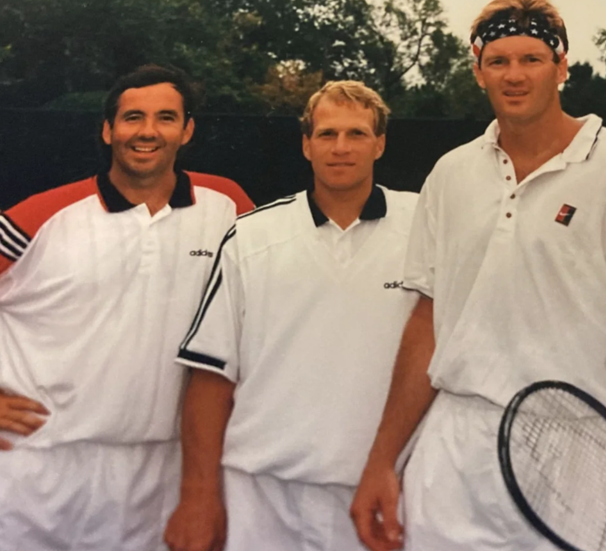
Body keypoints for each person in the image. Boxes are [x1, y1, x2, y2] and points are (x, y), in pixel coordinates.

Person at [350, 0, 606, 551]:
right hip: (458, 453)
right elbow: (428, 322)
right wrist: (381, 461)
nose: (515, 75)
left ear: (562, 66)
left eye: (532, 59)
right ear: (478, 70)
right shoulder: (451, 173)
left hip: (593, 451)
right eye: (498, 61)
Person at [0, 65, 253, 550]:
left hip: (162, 473)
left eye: (165, 118)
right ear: (108, 129)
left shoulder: (228, 207)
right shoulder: (41, 215)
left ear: (187, 130)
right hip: (35, 467)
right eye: (133, 117)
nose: (148, 132)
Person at [164, 80, 418, 551]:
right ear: (306, 144)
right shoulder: (250, 236)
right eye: (326, 134)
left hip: (390, 492)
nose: (341, 148)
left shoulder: (427, 227)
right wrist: (198, 496)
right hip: (262, 495)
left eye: (357, 134)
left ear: (380, 143)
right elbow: (210, 377)